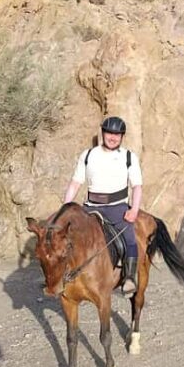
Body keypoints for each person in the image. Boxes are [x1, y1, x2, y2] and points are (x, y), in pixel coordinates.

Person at [63, 116, 143, 297]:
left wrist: (134, 210)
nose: (112, 137)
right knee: (65, 234)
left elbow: (137, 186)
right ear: (103, 133)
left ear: (122, 136)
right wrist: (66, 206)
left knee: (130, 238)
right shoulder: (88, 155)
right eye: (109, 133)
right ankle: (61, 273)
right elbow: (76, 182)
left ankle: (129, 278)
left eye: (117, 134)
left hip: (117, 207)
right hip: (90, 206)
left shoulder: (129, 157)